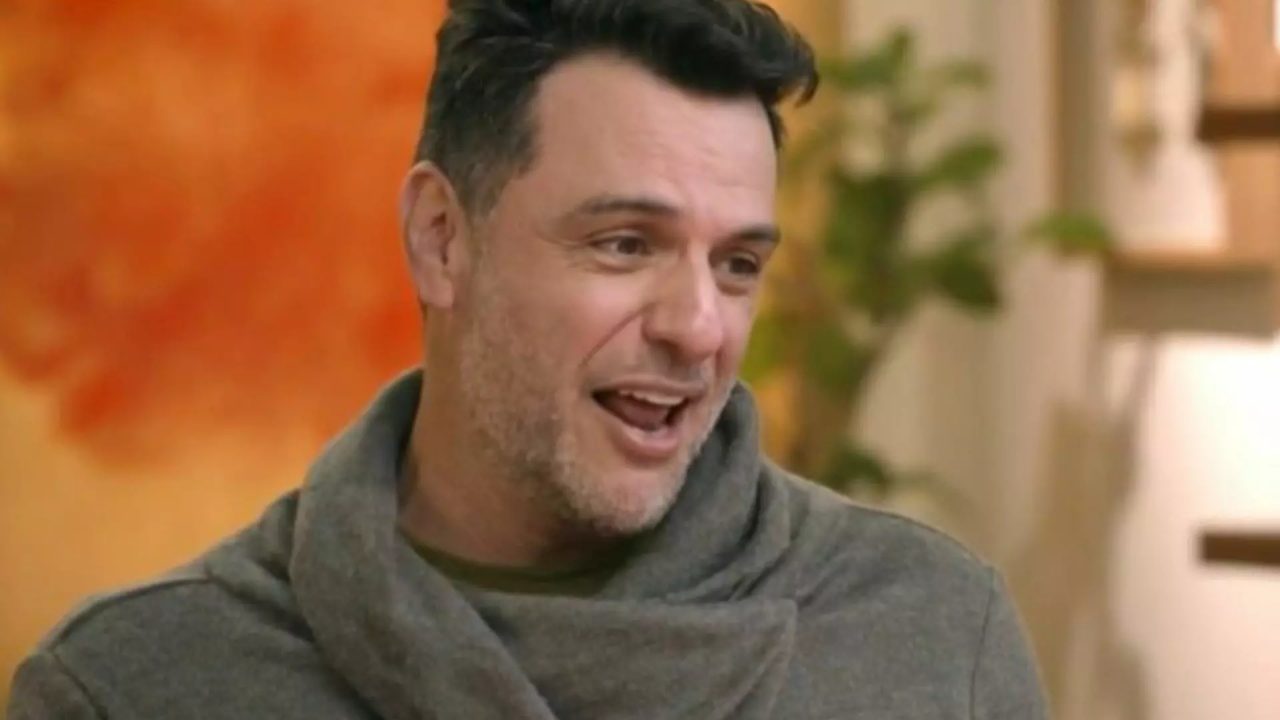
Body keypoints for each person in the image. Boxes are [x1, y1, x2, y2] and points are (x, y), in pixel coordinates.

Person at [7, 1, 1047, 717]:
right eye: (624, 244)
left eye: (736, 263)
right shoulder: (133, 688)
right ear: (440, 239)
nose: (698, 327)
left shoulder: (932, 637)